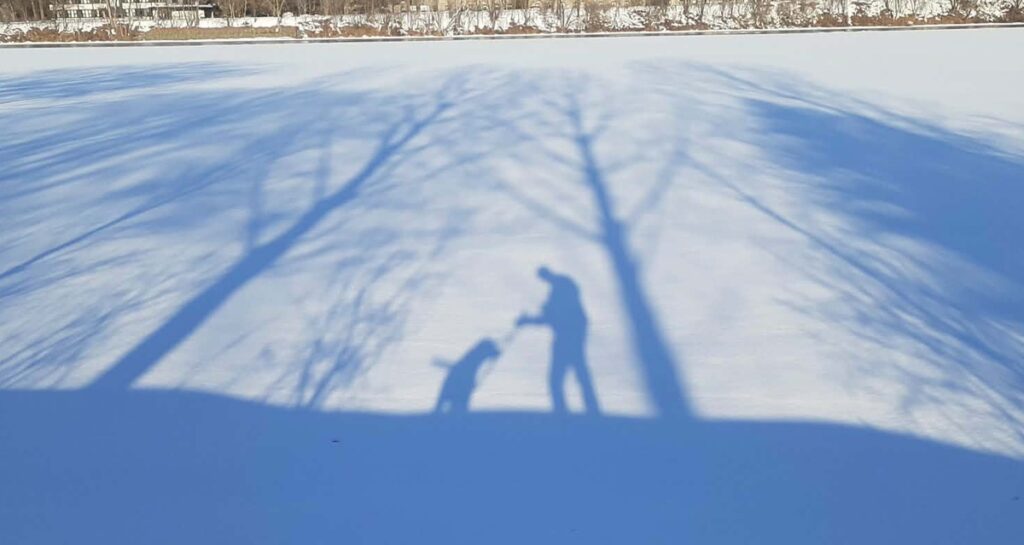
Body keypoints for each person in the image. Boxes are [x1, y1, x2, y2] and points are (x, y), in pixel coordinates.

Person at [517, 266, 599, 414]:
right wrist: (531, 319)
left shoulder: (562, 287)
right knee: (578, 372)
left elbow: (551, 317)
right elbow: (550, 317)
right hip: (571, 335)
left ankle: (564, 412)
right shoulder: (562, 287)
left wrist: (530, 319)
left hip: (568, 336)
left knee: (559, 376)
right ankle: (588, 409)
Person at [434, 338, 501, 414]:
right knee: (458, 407)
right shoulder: (473, 357)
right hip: (458, 385)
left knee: (449, 407)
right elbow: (468, 369)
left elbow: (467, 368)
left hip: (457, 383)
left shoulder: (472, 356)